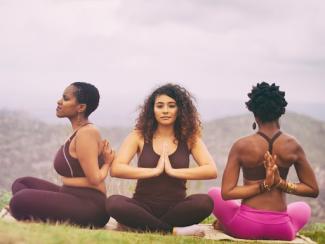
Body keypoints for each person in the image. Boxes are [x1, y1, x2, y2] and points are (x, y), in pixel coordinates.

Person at [208, 82, 319, 240]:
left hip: (246, 226)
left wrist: (263, 185)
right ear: (280, 112)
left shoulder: (241, 145)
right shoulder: (293, 145)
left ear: (255, 113)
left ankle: (227, 225)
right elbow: (312, 189)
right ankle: (283, 228)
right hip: (282, 230)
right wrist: (280, 183)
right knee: (302, 208)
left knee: (214, 194)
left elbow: (227, 193)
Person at [106, 84, 217, 236]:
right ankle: (171, 230)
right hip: (142, 206)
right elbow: (116, 169)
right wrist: (154, 171)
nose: (165, 110)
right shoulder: (138, 136)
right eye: (160, 106)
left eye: (171, 106)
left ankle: (145, 225)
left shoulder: (190, 138)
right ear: (153, 109)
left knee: (205, 202)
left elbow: (211, 170)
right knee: (114, 202)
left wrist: (172, 171)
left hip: (176, 208)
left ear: (180, 110)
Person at [9, 82, 114, 228]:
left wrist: (108, 163)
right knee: (22, 183)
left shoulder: (87, 133)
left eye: (65, 98)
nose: (59, 101)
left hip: (91, 206)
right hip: (69, 194)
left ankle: (32, 209)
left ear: (81, 107)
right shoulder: (78, 132)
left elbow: (95, 179)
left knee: (19, 201)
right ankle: (39, 209)